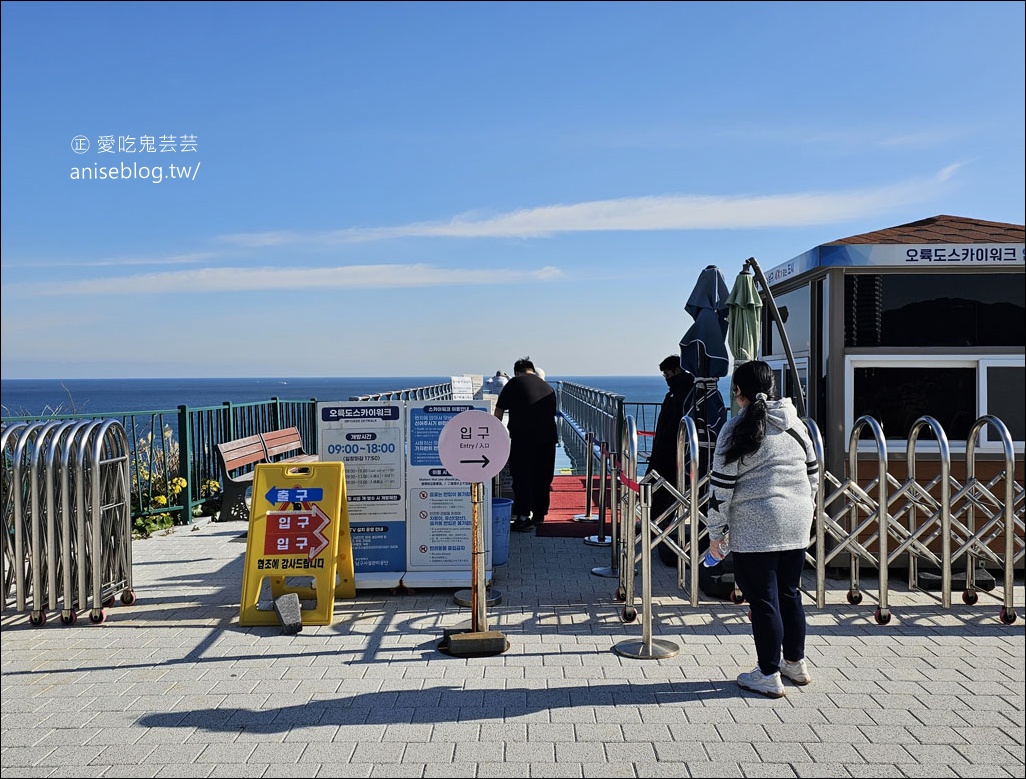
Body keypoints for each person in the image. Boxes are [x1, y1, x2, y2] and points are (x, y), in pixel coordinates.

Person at [705, 359, 819, 698]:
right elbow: (813, 474)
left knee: (764, 599)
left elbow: (720, 488)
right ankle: (795, 664)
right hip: (797, 519)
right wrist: (801, 508)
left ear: (737, 392)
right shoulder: (795, 423)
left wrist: (715, 533)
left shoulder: (735, 428)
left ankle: (768, 673)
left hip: (757, 525)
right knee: (789, 593)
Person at [494, 356, 558, 533]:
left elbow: (498, 411)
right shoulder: (548, 387)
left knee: (522, 477)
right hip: (548, 438)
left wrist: (495, 436)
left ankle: (523, 518)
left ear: (517, 372)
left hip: (524, 438)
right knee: (543, 477)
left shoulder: (514, 383)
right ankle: (539, 516)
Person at [645, 355, 696, 565]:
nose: (666, 378)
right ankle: (659, 530)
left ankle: (656, 532)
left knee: (663, 495)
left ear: (676, 370)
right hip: (670, 454)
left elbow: (672, 427)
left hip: (669, 455)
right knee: (665, 495)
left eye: (667, 374)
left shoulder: (681, 394)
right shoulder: (685, 391)